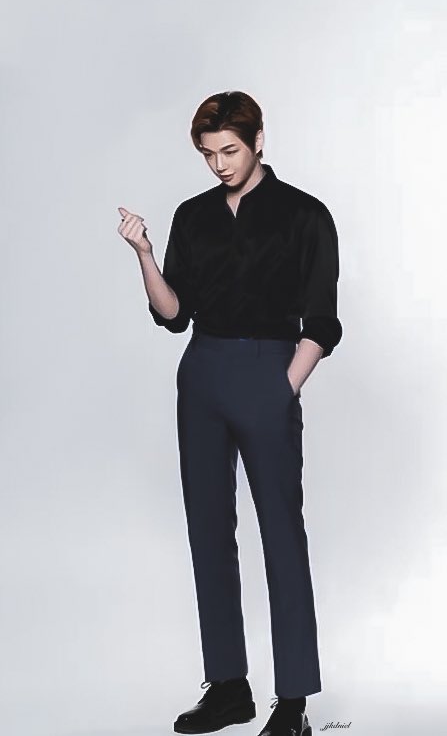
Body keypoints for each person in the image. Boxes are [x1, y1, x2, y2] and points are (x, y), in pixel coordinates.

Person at [117, 91, 343, 736]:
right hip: (203, 373)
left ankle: (293, 702)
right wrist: (144, 254)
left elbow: (322, 322)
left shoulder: (305, 214)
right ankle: (228, 688)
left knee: (281, 534)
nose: (219, 164)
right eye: (209, 154)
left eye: (230, 150)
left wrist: (284, 386)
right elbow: (174, 314)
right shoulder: (192, 216)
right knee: (209, 532)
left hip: (270, 368)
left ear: (258, 140)